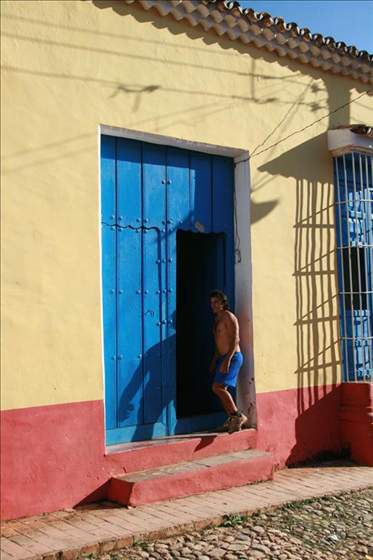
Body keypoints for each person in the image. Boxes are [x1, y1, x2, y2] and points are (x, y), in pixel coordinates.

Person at [209, 290, 247, 433]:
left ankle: (238, 416)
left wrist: (227, 360)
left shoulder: (228, 317)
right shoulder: (217, 319)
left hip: (233, 357)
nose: (213, 305)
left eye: (216, 302)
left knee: (218, 387)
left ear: (223, 303)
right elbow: (219, 342)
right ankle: (233, 417)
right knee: (219, 388)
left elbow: (235, 339)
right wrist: (215, 360)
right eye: (211, 303)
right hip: (223, 358)